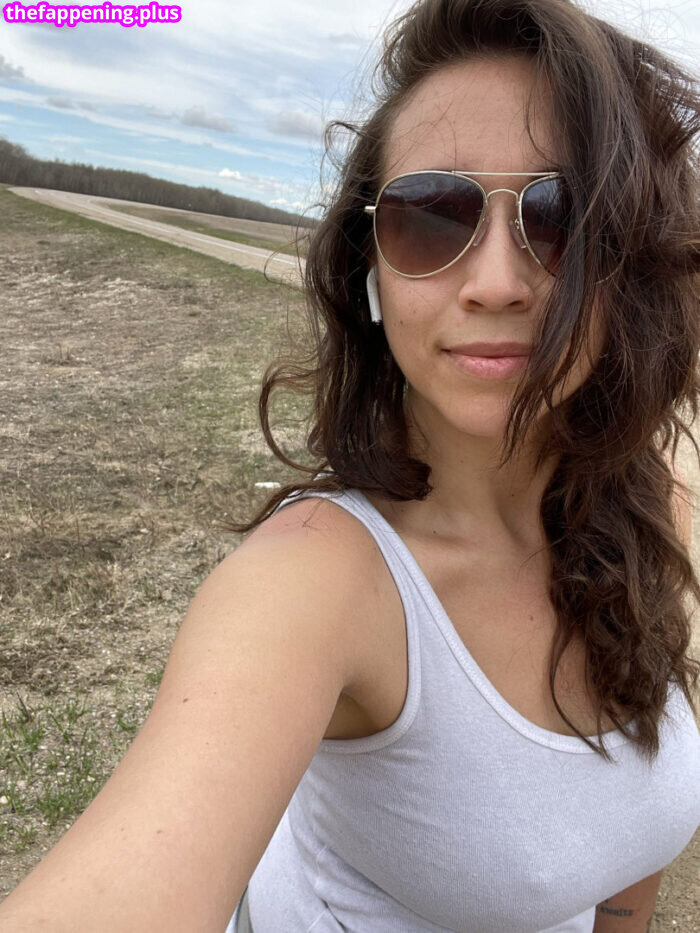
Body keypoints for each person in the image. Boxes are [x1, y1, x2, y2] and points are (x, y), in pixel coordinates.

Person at [1, 0, 699, 930]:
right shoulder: (316, 582)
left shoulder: (655, 502)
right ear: (370, 267)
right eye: (432, 217)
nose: (497, 281)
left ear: (632, 265)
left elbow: (628, 853)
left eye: (561, 218)